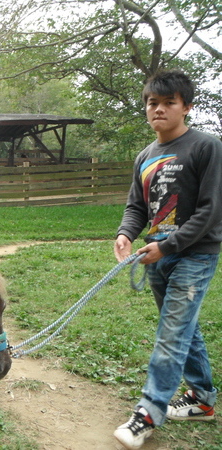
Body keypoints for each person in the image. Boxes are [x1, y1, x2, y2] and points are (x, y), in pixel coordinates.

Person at [113, 70, 221, 449]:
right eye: (152, 103)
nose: (158, 109)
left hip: (194, 256)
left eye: (168, 103)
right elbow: (136, 206)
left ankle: (148, 412)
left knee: (171, 335)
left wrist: (169, 245)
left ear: (186, 107)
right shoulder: (145, 156)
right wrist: (126, 233)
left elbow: (209, 211)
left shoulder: (206, 147)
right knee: (183, 330)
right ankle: (202, 399)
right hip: (156, 256)